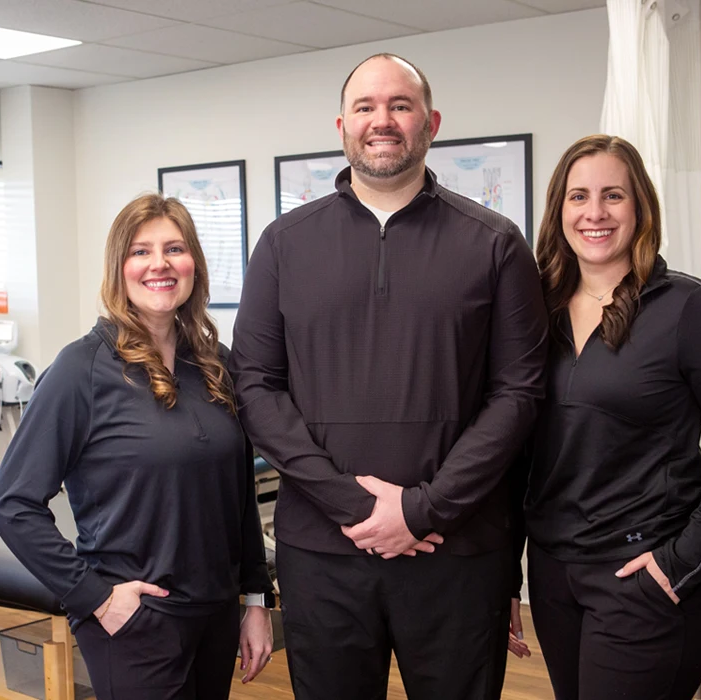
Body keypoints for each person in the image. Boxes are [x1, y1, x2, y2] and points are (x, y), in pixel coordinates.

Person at [230, 53, 548, 700]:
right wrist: (356, 505)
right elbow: (256, 388)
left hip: (456, 552)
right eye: (368, 108)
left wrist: (420, 509)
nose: (384, 121)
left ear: (430, 122)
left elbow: (519, 395)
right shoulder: (284, 245)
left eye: (400, 106)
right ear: (342, 125)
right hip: (322, 556)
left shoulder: (495, 243)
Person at [0, 193, 275, 700]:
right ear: (119, 268)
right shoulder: (81, 370)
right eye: (141, 252)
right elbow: (12, 503)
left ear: (194, 266)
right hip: (136, 621)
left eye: (174, 249)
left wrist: (255, 600)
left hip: (216, 615)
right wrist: (94, 597)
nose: (159, 265)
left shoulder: (215, 364)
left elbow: (238, 496)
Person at [522, 135, 701, 699]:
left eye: (614, 195)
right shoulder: (534, 309)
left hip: (644, 574)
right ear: (558, 209)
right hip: (554, 574)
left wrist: (680, 562)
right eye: (579, 196)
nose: (595, 212)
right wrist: (506, 578)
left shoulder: (690, 306)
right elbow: (515, 449)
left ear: (640, 209)